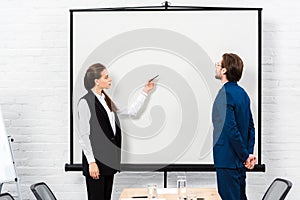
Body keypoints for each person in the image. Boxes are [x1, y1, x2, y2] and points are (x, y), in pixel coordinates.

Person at [77, 63, 155, 200]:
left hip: (108, 162)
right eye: (106, 77)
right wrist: (91, 162)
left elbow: (131, 111)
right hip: (96, 163)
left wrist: (145, 91)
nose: (110, 79)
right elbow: (84, 135)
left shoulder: (105, 100)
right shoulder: (85, 102)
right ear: (97, 81)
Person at [212, 53, 257, 200]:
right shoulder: (243, 94)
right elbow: (251, 127)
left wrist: (245, 156)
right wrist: (248, 154)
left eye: (218, 65)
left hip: (227, 162)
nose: (217, 68)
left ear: (224, 70)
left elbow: (231, 130)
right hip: (238, 163)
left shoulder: (224, 94)